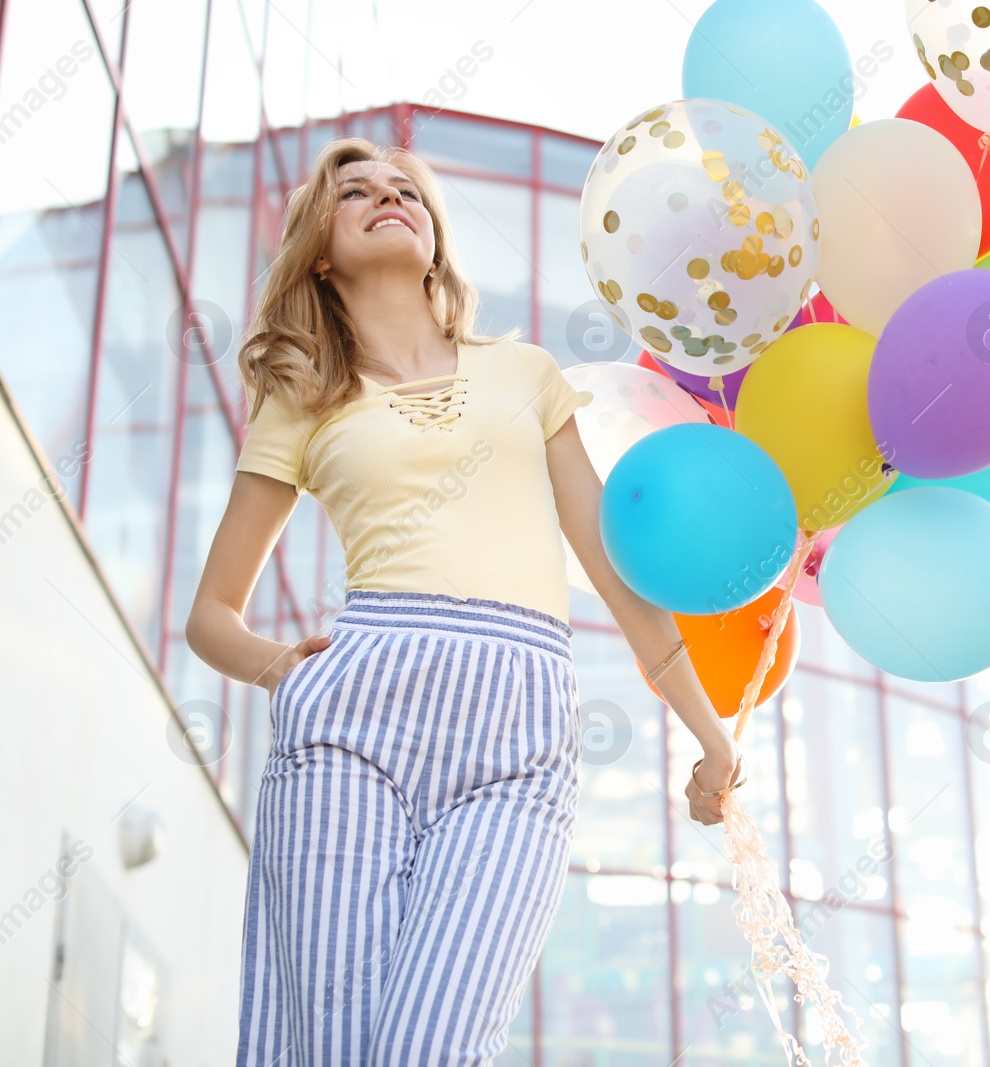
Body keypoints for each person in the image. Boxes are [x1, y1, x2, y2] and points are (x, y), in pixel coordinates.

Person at [185, 137, 742, 1067]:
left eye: (406, 188)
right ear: (319, 249)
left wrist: (711, 733)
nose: (385, 196)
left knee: (431, 1045)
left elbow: (612, 567)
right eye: (354, 192)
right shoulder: (301, 400)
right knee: (332, 1043)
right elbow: (212, 613)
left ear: (437, 239)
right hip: (351, 728)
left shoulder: (524, 373)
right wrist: (283, 669)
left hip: (517, 739)